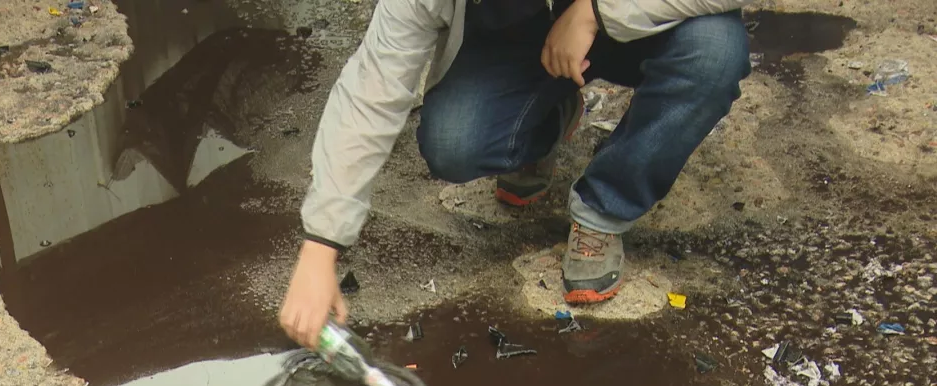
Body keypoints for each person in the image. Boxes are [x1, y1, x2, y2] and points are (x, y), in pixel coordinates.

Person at [281, 0, 754, 348]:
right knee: (453, 143)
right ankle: (543, 121)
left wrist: (595, 13)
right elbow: (372, 88)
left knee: (713, 53)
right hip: (520, 39)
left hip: (639, 17)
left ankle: (605, 206)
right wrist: (320, 246)